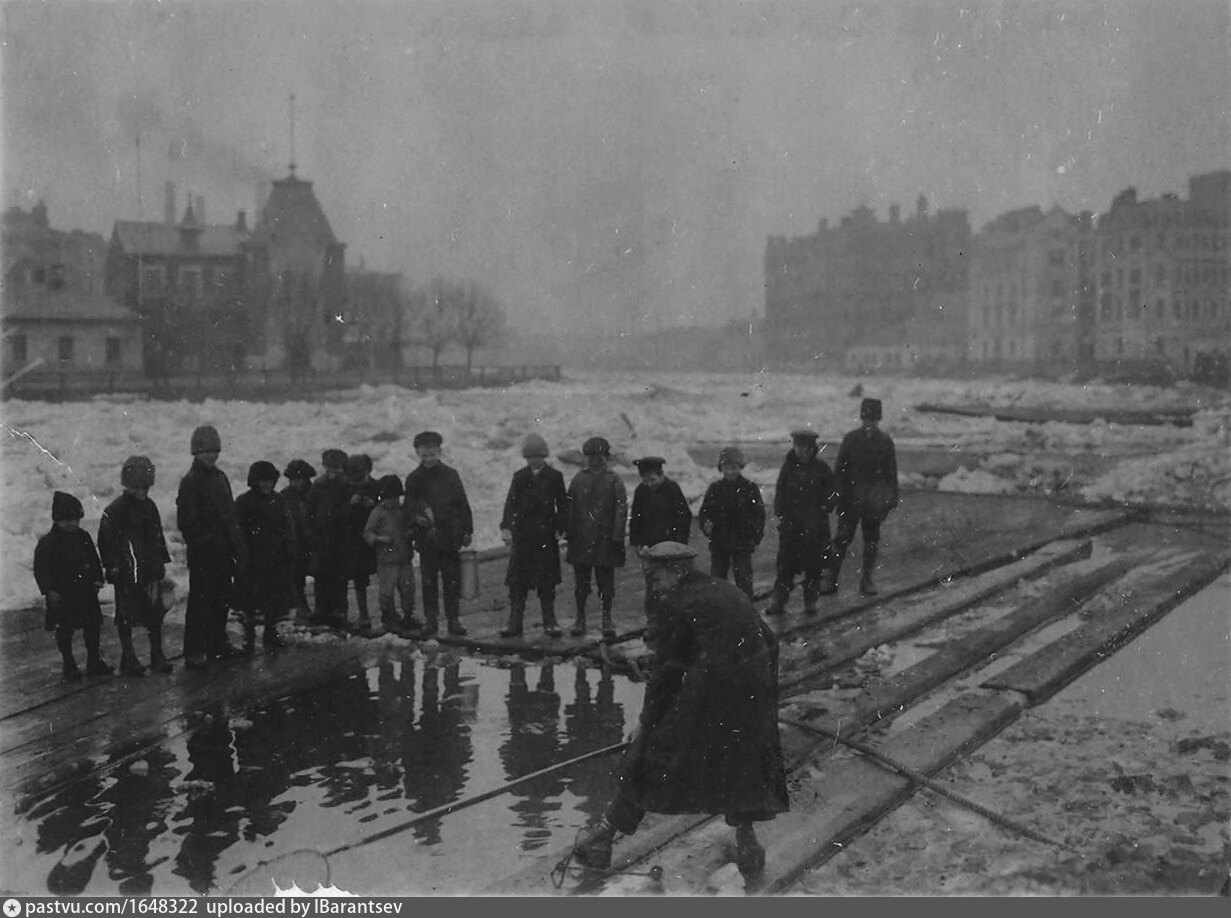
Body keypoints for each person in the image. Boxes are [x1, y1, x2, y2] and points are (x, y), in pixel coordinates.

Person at [570, 541, 789, 878]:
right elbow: (768, 639)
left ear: (675, 572)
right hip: (750, 693)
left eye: (655, 578)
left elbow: (668, 672)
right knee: (742, 764)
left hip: (712, 693)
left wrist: (645, 722)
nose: (652, 587)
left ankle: (601, 838)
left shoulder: (676, 601)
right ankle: (748, 844)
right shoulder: (724, 588)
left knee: (652, 754)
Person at [176, 425, 248, 670]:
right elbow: (186, 522)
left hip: (224, 551)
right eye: (204, 451)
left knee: (221, 599)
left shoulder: (220, 477)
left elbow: (229, 515)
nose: (210, 456)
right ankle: (194, 650)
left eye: (213, 451)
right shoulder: (190, 482)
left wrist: (235, 544)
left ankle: (217, 642)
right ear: (195, 452)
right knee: (200, 602)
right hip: (204, 554)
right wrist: (205, 542)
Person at [97, 455, 174, 676]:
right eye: (137, 487)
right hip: (126, 573)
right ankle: (128, 655)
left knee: (154, 614)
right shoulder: (114, 511)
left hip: (148, 572)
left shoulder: (150, 507)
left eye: (146, 487)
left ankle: (157, 654)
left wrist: (160, 567)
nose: (142, 491)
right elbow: (106, 542)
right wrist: (112, 566)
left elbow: (157, 538)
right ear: (127, 485)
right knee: (126, 615)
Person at [33, 491, 113, 682]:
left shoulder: (83, 537)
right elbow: (41, 569)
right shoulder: (48, 543)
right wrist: (49, 590)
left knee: (92, 626)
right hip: (62, 595)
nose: (70, 524)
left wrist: (97, 579)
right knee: (65, 630)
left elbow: (93, 560)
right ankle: (69, 662)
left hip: (85, 592)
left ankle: (94, 658)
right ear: (56, 520)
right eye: (65, 520)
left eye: (74, 519)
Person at [824, 397, 900, 596]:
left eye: (873, 419)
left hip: (873, 502)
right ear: (861, 418)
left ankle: (866, 580)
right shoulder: (850, 439)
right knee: (841, 539)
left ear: (878, 420)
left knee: (871, 541)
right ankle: (831, 579)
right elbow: (840, 470)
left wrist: (889, 501)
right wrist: (835, 496)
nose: (869, 423)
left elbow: (891, 474)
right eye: (866, 418)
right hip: (850, 500)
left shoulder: (885, 442)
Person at [498, 432, 569, 639]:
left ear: (544, 456)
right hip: (523, 536)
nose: (534, 461)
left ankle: (550, 623)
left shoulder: (555, 477)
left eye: (538, 456)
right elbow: (510, 504)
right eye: (530, 457)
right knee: (517, 585)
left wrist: (561, 527)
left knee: (547, 584)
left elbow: (563, 505)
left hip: (546, 536)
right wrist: (506, 527)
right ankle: (514, 624)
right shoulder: (519, 477)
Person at [404, 431, 473, 637]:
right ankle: (431, 621)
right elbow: (408, 508)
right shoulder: (414, 479)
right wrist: (416, 520)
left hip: (450, 536)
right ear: (418, 454)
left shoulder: (451, 474)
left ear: (439, 452)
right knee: (429, 582)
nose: (429, 460)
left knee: (452, 581)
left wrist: (468, 530)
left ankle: (454, 620)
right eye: (424, 456)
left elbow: (462, 503)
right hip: (427, 539)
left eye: (432, 455)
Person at [765, 428, 837, 616]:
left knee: (814, 567)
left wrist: (825, 507)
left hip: (815, 528)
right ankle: (778, 601)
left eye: (807, 447)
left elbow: (834, 492)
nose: (804, 451)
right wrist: (780, 515)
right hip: (792, 527)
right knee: (785, 567)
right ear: (795, 447)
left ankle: (810, 601)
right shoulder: (787, 468)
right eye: (800, 447)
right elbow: (780, 494)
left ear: (813, 448)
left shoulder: (821, 469)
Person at [565, 436, 628, 641]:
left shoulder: (614, 480)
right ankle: (580, 619)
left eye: (600, 456)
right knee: (581, 585)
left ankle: (606, 619)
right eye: (591, 456)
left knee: (606, 584)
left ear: (607, 457)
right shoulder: (578, 479)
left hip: (606, 541)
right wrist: (569, 532)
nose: (595, 460)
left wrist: (617, 535)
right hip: (581, 540)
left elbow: (621, 508)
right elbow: (570, 508)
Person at [233, 461, 294, 651]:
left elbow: (287, 526)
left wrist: (289, 549)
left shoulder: (279, 500)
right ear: (254, 481)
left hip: (275, 556)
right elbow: (238, 531)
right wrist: (242, 555)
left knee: (274, 600)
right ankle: (248, 636)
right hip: (252, 557)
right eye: (263, 481)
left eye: (270, 481)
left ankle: (270, 633)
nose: (267, 485)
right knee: (249, 601)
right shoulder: (244, 501)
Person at [697, 446, 766, 601]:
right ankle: (719, 606)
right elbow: (705, 512)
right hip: (719, 542)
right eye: (726, 468)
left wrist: (755, 536)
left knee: (744, 577)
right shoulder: (715, 489)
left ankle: (746, 607)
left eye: (734, 468)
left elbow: (759, 515)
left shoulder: (750, 488)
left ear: (740, 467)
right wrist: (706, 524)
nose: (730, 471)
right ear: (721, 469)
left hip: (742, 542)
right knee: (718, 578)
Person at [364, 473, 424, 635]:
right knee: (387, 591)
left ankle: (408, 615)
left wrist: (411, 532)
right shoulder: (377, 513)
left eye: (396, 497)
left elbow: (411, 526)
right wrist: (380, 539)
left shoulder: (402, 511)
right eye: (389, 498)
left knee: (408, 589)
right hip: (386, 560)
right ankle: (389, 617)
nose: (393, 501)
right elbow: (367, 533)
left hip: (404, 557)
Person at [306, 449, 351, 628]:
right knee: (321, 576)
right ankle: (321, 610)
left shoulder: (347, 485)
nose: (334, 471)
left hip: (341, 537)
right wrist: (310, 531)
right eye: (331, 467)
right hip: (321, 537)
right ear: (325, 466)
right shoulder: (318, 485)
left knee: (340, 576)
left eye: (337, 468)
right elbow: (309, 511)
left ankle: (339, 611)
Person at [343, 454, 380, 634]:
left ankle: (389, 613)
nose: (356, 482)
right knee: (358, 577)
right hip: (353, 538)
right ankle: (363, 613)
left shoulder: (376, 486)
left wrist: (374, 505)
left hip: (374, 537)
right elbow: (336, 514)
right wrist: (349, 505)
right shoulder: (344, 487)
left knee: (384, 574)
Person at [280, 458, 317, 622]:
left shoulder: (316, 491)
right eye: (293, 479)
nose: (296, 483)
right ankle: (301, 607)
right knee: (296, 575)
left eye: (299, 479)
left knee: (321, 574)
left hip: (315, 540)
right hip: (295, 542)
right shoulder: (284, 496)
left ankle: (322, 608)